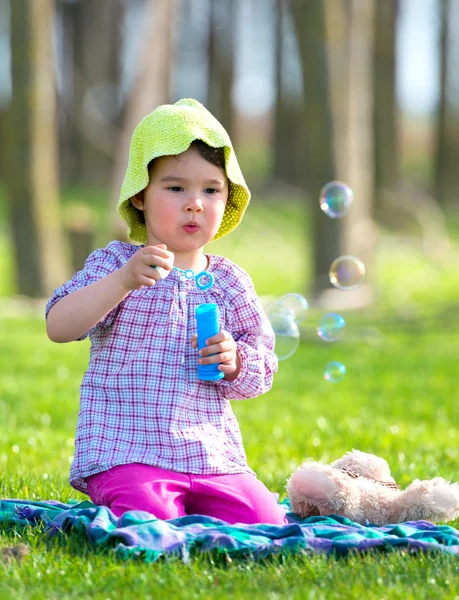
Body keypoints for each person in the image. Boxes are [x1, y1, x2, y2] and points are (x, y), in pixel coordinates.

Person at [46, 98, 286, 525]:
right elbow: (58, 325)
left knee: (266, 520)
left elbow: (263, 368)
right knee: (151, 519)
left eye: (211, 189)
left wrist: (235, 361)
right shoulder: (115, 264)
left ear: (228, 198)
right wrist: (122, 281)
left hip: (212, 455)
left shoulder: (231, 282)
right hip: (127, 452)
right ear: (140, 195)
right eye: (176, 188)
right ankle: (146, 505)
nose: (195, 203)